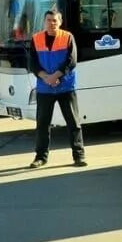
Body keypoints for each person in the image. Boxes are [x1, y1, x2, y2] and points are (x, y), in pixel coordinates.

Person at [28, 10, 86, 168]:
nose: (51, 23)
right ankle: (40, 157)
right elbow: (32, 63)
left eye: (54, 20)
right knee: (42, 124)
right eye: (48, 20)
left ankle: (78, 156)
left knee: (73, 122)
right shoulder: (36, 38)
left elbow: (71, 60)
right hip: (45, 88)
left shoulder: (67, 37)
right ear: (44, 21)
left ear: (60, 22)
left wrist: (56, 76)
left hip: (65, 87)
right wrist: (46, 77)